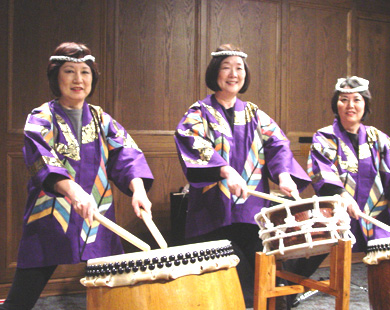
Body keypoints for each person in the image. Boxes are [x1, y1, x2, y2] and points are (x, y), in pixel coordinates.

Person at [0, 42, 154, 310]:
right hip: (52, 213)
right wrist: (72, 190)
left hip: (98, 215)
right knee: (22, 298)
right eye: (69, 71)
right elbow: (42, 160)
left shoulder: (101, 119)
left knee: (114, 294)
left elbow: (127, 155)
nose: (78, 79)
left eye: (85, 72)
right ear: (55, 76)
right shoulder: (41, 118)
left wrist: (138, 189)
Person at [174, 43, 311, 308]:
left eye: (239, 68)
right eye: (226, 68)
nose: (233, 74)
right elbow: (192, 142)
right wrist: (225, 170)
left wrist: (283, 174)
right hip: (212, 217)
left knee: (270, 278)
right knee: (241, 282)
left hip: (252, 217)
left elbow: (279, 145)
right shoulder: (197, 113)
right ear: (215, 73)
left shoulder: (255, 114)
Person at [307, 76, 390, 253]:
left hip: (377, 222)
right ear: (336, 104)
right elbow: (321, 172)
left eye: (356, 100)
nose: (350, 105)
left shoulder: (377, 139)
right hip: (340, 221)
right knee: (345, 272)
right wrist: (344, 197)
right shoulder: (325, 138)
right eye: (344, 100)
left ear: (365, 104)